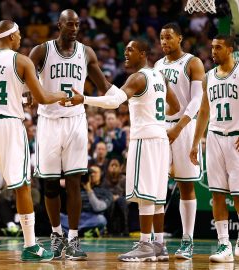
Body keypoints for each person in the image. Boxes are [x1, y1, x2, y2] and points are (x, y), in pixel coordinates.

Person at [68, 39, 180, 262]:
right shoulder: (159, 76)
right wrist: (154, 114)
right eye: (125, 49)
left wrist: (85, 99)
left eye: (131, 50)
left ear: (143, 53)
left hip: (145, 140)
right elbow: (175, 107)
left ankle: (145, 245)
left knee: (145, 195)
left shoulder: (138, 77)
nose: (126, 53)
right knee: (157, 196)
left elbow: (115, 102)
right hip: (160, 138)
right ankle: (159, 245)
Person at [0, 20, 67, 263]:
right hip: (8, 126)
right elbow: (43, 97)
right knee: (22, 185)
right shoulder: (21, 61)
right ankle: (31, 246)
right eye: (19, 35)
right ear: (11, 36)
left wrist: (20, 98)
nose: (21, 39)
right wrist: (63, 94)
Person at [29, 9, 112, 260]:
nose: (75, 28)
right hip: (48, 121)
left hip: (76, 121)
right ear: (59, 25)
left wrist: (126, 94)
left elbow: (104, 87)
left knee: (75, 182)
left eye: (77, 25)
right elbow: (25, 78)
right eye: (70, 24)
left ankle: (73, 239)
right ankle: (56, 235)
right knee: (51, 184)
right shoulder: (42, 51)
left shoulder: (86, 53)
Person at [154, 23, 205, 260]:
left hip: (184, 127)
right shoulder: (157, 65)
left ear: (180, 38)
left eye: (168, 38)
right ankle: (156, 241)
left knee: (185, 185)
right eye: (161, 38)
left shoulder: (193, 62)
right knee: (155, 185)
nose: (164, 42)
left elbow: (196, 101)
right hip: (162, 125)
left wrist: (178, 128)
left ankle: (187, 240)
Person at [190, 35, 239, 263]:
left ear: (230, 50)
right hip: (214, 137)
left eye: (218, 48)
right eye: (212, 47)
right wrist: (194, 142)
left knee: (238, 195)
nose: (213, 51)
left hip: (236, 138)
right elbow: (204, 111)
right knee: (217, 193)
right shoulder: (208, 77)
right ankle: (223, 244)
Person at [60, 165, 113, 236]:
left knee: (101, 220)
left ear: (101, 175)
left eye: (95, 172)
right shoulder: (77, 189)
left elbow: (98, 208)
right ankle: (84, 231)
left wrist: (89, 190)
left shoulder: (105, 192)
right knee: (58, 217)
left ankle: (75, 231)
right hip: (76, 218)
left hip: (92, 218)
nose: (92, 175)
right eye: (90, 173)